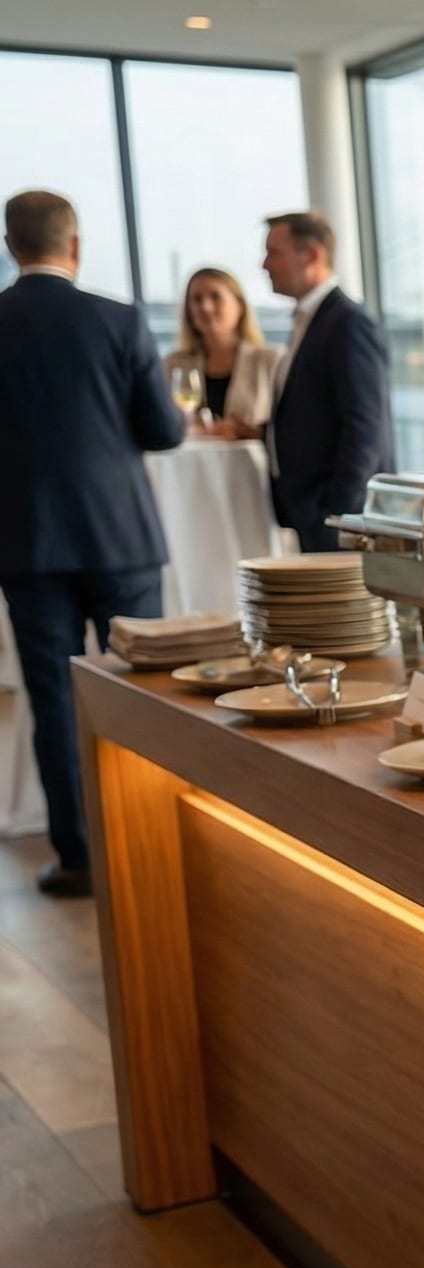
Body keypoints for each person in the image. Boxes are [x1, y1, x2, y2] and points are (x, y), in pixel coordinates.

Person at [0, 190, 184, 896]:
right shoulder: (119, 319)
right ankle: (157, 839)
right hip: (120, 536)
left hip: (27, 541)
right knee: (146, 690)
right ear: (74, 246)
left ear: (11, 246)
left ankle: (80, 858)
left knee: (53, 697)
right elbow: (164, 431)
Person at [260, 210, 391, 554]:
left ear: (313, 255)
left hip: (338, 519)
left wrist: (337, 513)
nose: (264, 265)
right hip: (312, 512)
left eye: (274, 252)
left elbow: (365, 426)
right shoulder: (311, 320)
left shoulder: (348, 322)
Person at [164, 266, 280, 437]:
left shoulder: (271, 361)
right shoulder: (173, 365)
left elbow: (289, 427)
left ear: (240, 306)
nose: (205, 307)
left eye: (215, 297)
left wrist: (247, 432)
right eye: (197, 299)